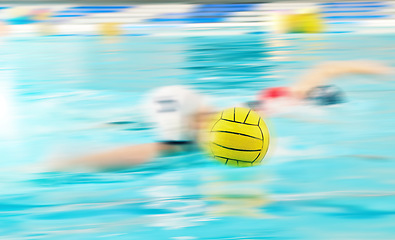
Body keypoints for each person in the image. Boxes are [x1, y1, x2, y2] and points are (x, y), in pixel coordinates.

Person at [50, 60, 393, 171]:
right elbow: (332, 68)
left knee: (174, 142)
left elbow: (335, 67)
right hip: (213, 113)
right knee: (173, 148)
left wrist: (383, 70)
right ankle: (73, 161)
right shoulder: (295, 99)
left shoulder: (290, 97)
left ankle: (92, 138)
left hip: (219, 112)